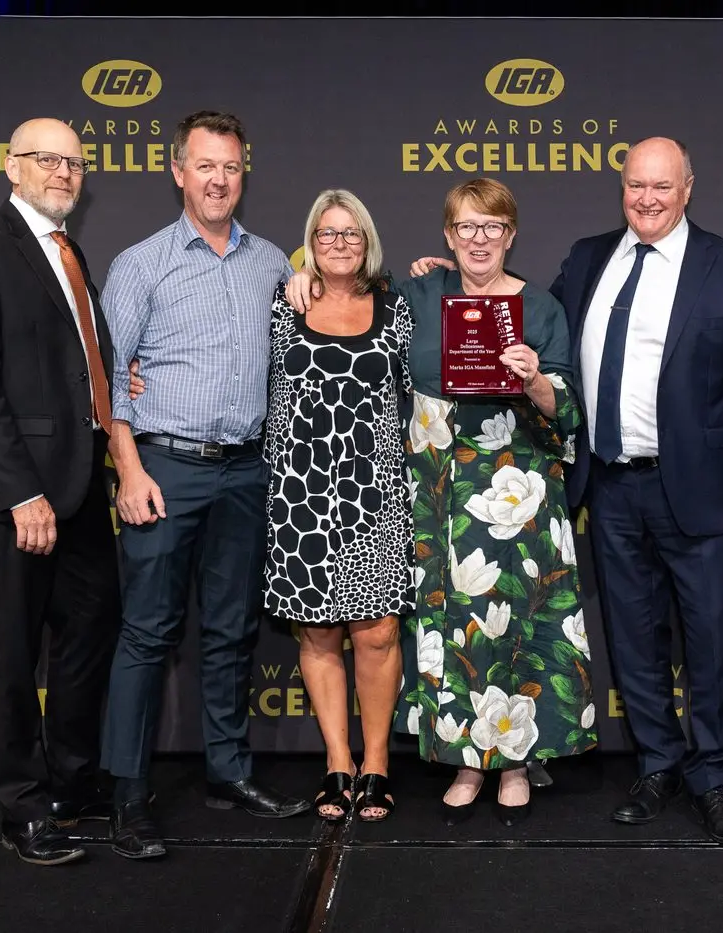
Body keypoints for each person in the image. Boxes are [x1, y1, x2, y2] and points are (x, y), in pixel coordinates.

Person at [287, 178, 593, 826]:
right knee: (449, 628)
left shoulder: (540, 307)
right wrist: (302, 281)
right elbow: (351, 319)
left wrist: (533, 377)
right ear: (447, 237)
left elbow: (566, 411)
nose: (478, 239)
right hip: (432, 487)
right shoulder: (416, 296)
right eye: (464, 228)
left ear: (510, 234)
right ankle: (462, 759)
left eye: (491, 227)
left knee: (512, 623)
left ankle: (512, 761)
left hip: (516, 489)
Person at [549, 137, 723, 845]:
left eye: (660, 186)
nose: (645, 199)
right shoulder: (588, 258)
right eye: (633, 186)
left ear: (687, 189)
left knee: (709, 642)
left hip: (703, 493)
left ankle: (713, 780)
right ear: (621, 188)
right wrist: (458, 281)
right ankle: (656, 764)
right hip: (610, 487)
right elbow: (532, 323)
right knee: (634, 639)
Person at [99, 110, 309, 861]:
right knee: (147, 634)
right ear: (178, 172)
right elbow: (107, 384)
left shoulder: (272, 265)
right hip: (165, 467)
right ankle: (126, 794)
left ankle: (228, 770)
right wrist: (129, 470)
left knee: (230, 633)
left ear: (242, 173)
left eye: (230, 167)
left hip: (246, 471)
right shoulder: (141, 264)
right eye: (204, 166)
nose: (218, 180)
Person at [0, 117, 120, 866]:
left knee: (91, 624)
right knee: (14, 645)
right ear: (12, 167)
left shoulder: (70, 252)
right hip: (17, 491)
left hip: (80, 483)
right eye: (47, 159)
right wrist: (20, 493)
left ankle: (71, 779)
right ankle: (21, 800)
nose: (64, 172)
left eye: (75, 162)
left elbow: (76, 366)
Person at [266, 190, 414, 822]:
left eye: (351, 234)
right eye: (326, 234)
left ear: (368, 240)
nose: (339, 244)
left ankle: (376, 763)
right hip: (300, 493)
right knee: (319, 632)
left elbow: (423, 386)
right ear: (310, 241)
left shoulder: (397, 307)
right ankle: (336, 761)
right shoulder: (284, 301)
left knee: (377, 634)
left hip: (375, 492)